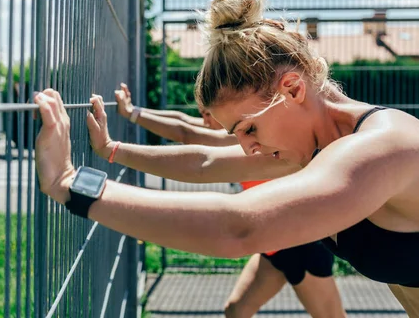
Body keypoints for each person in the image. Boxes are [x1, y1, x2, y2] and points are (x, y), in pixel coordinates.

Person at [32, 0, 419, 316]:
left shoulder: (385, 147)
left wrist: (69, 183)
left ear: (293, 89)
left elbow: (239, 226)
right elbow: (205, 161)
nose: (248, 148)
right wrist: (111, 150)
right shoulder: (315, 150)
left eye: (249, 129)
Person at [111, 83, 345, 317]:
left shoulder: (244, 138)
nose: (204, 121)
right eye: (202, 114)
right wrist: (134, 110)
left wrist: (131, 115)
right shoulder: (229, 132)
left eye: (207, 115)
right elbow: (182, 120)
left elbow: (185, 132)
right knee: (236, 311)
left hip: (301, 244)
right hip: (274, 242)